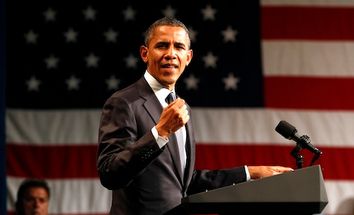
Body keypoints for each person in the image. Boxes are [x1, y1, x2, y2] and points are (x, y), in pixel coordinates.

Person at [96, 16, 293, 215]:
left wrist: (249, 173)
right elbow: (110, 174)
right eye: (162, 46)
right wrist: (161, 132)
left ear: (188, 57)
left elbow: (185, 182)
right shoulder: (124, 102)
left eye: (179, 47)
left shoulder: (183, 108)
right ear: (145, 54)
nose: (171, 54)